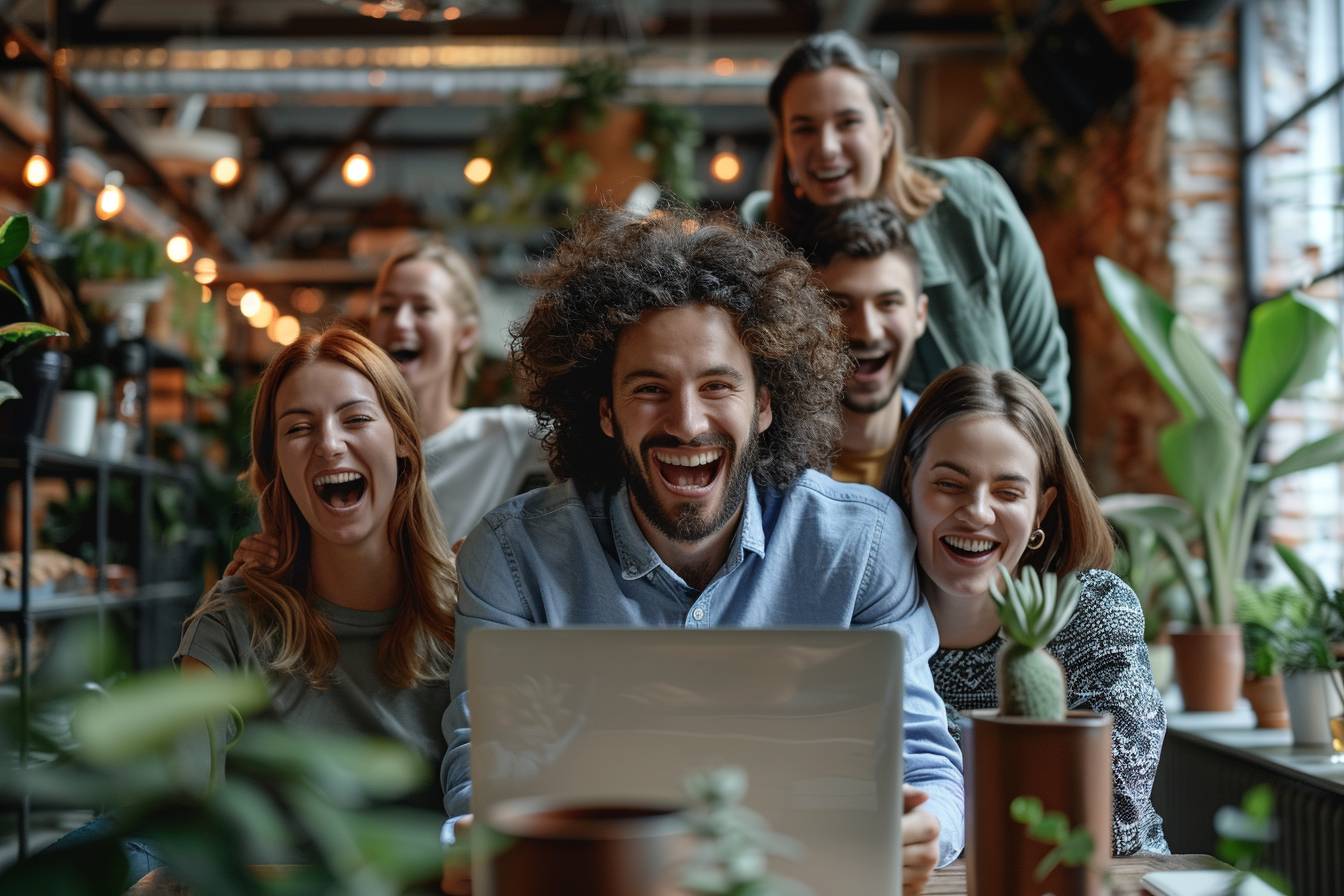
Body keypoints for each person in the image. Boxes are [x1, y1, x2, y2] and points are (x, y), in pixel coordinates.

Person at [440, 208, 965, 895]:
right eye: (650, 389)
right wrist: (480, 840)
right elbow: (482, 773)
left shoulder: (859, 545)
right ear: (605, 412)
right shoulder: (514, 558)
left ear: (764, 406)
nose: (687, 423)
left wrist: (925, 828)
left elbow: (925, 764)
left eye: (717, 386)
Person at [887, 364, 1168, 856]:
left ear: (1041, 508)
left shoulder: (1094, 612)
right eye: (950, 484)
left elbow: (1112, 817)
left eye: (1008, 492)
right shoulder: (861, 615)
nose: (977, 512)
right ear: (909, 482)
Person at [177, 326, 458, 811]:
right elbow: (180, 816)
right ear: (278, 465)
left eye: (356, 419)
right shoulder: (232, 624)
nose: (328, 444)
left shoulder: (474, 613)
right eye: (298, 428)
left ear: (402, 441)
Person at [742, 30, 1072, 423]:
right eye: (804, 128)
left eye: (848, 122)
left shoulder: (972, 203)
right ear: (786, 143)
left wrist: (1027, 457)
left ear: (885, 132)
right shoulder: (764, 242)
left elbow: (1042, 375)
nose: (827, 147)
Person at [226, 239, 549, 575]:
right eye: (387, 308)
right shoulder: (330, 442)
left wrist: (520, 550)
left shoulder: (506, 434)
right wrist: (275, 559)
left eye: (423, 308)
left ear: (465, 333)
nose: (401, 322)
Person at [808, 197, 927, 487]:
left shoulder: (953, 446)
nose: (868, 332)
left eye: (888, 303)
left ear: (919, 315)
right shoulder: (762, 466)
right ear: (807, 318)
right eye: (841, 305)